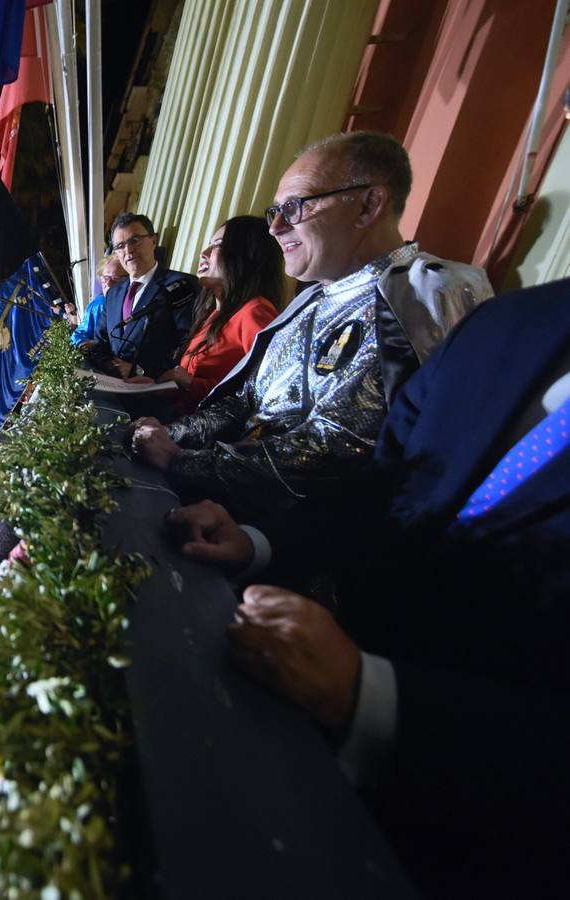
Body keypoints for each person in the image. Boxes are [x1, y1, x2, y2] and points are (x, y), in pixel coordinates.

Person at [164, 278, 570, 896]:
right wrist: (259, 540)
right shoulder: (513, 321)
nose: (282, 225)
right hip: (299, 751)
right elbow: (383, 489)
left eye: (295, 208)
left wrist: (370, 695)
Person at [131, 131, 492, 524]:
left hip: (298, 543)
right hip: (227, 505)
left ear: (368, 205)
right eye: (276, 211)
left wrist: (183, 462)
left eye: (296, 206)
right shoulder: (313, 298)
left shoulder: (422, 296)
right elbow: (245, 399)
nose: (276, 227)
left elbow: (340, 448)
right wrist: (173, 433)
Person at [135, 215, 283, 417]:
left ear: (246, 255)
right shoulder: (214, 314)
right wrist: (154, 385)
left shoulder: (255, 311)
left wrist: (189, 382)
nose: (203, 253)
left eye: (217, 246)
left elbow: (263, 393)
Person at [78, 212, 198, 379]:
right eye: (120, 246)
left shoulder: (181, 285)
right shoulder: (113, 294)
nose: (128, 250)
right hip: (113, 391)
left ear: (153, 241)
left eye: (135, 240)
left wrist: (139, 370)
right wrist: (109, 365)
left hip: (156, 392)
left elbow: (188, 344)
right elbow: (100, 343)